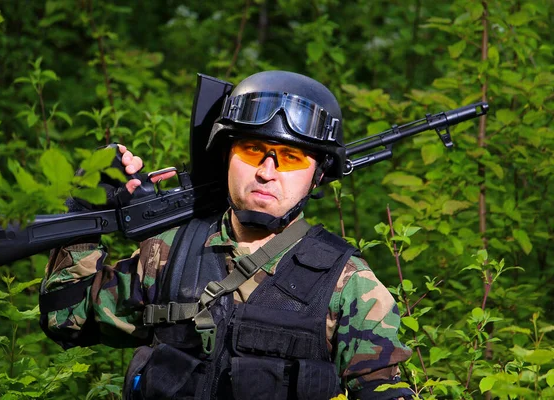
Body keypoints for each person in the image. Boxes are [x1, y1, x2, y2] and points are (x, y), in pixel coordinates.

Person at [39, 71, 415, 399]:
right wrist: (89, 206)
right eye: (252, 150)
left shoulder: (348, 284)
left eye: (291, 158)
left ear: (317, 175)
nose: (267, 172)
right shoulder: (170, 253)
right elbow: (67, 320)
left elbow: (384, 393)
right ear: (226, 157)